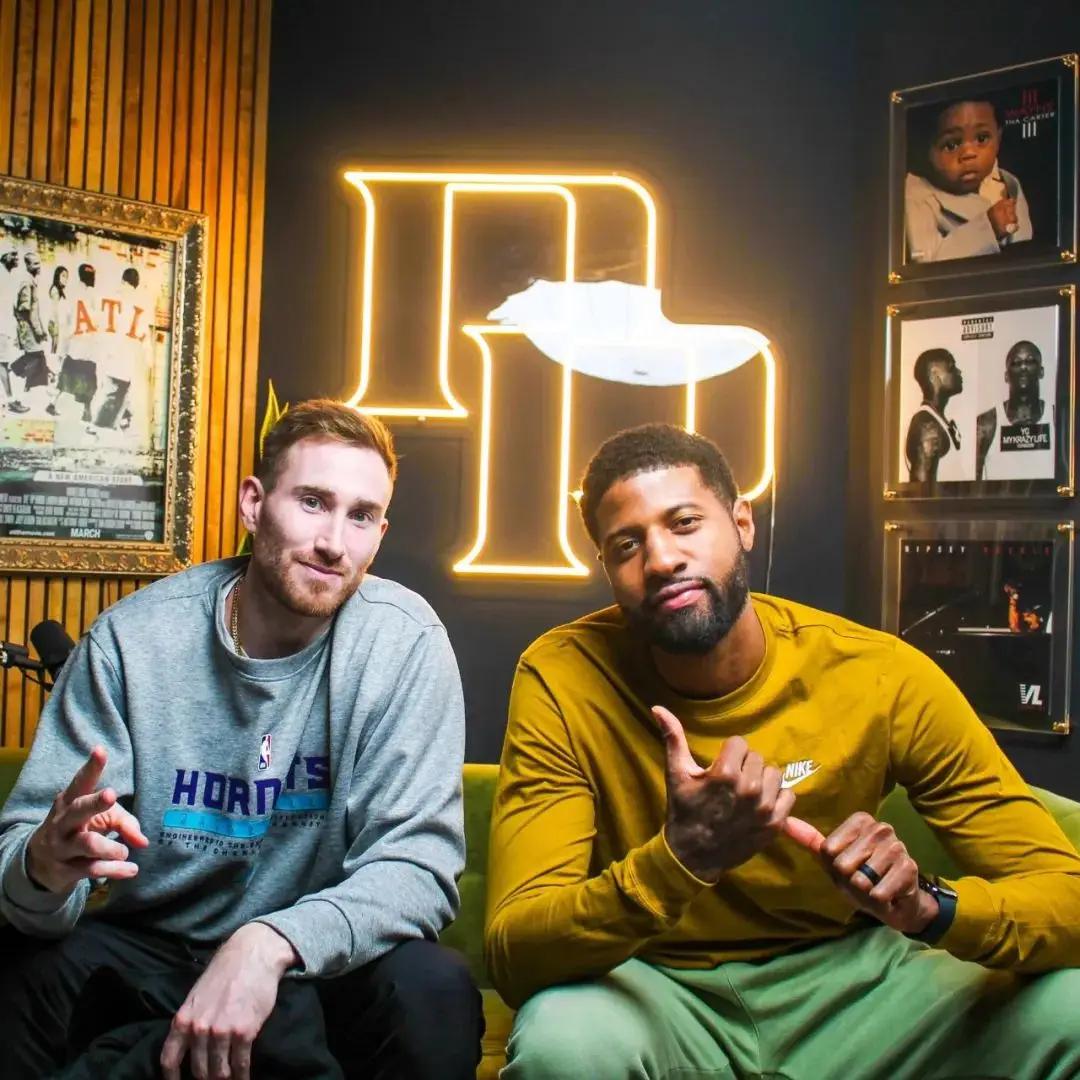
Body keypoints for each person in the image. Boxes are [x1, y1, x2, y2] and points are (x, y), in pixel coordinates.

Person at [486, 422, 1080, 1080]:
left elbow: (1068, 897)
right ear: (606, 568)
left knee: (1071, 1011)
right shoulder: (564, 674)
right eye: (627, 544)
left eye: (685, 523)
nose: (660, 560)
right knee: (562, 1045)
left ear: (742, 523)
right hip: (652, 987)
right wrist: (682, 858)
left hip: (857, 988)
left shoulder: (879, 674)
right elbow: (516, 951)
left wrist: (926, 908)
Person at [0, 399, 483, 1079]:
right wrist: (44, 870)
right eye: (313, 502)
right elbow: (20, 866)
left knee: (432, 988)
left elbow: (417, 868)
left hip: (314, 960)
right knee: (19, 972)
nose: (334, 542)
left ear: (380, 533)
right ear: (253, 504)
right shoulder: (133, 641)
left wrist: (270, 941)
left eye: (361, 516)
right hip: (150, 951)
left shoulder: (403, 642)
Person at [905, 98, 1032, 263]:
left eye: (982, 138)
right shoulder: (917, 195)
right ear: (926, 149)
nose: (969, 153)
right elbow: (926, 261)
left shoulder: (1007, 182)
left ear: (998, 138)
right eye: (951, 145)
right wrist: (987, 228)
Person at [976, 339, 1055, 481]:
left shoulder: (1057, 418)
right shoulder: (987, 423)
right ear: (1006, 376)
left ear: (1041, 371)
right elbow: (974, 482)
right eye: (1016, 363)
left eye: (1030, 361)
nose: (1023, 367)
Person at [904, 347, 965, 482]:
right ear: (934, 375)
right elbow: (921, 491)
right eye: (952, 367)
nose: (959, 371)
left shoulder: (937, 420)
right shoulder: (927, 426)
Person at [10, 249, 51, 414]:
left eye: (39, 263)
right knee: (34, 361)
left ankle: (14, 375)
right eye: (35, 264)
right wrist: (38, 331)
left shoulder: (30, 281)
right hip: (29, 331)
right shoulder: (27, 282)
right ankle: (16, 398)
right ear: (27, 265)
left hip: (29, 329)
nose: (38, 266)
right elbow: (25, 310)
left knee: (33, 360)